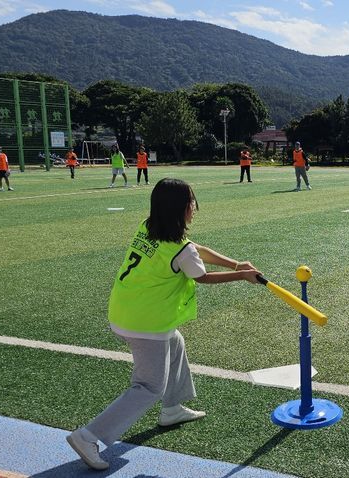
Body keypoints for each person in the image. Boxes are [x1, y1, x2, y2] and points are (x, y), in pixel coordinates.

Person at [67, 178, 261, 470]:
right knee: (148, 387)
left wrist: (236, 264)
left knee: (176, 342)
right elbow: (201, 276)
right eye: (192, 204)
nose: (194, 209)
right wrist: (241, 276)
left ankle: (172, 409)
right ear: (183, 209)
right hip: (145, 322)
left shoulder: (148, 227)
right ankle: (88, 436)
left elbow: (196, 250)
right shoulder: (180, 250)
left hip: (126, 310)